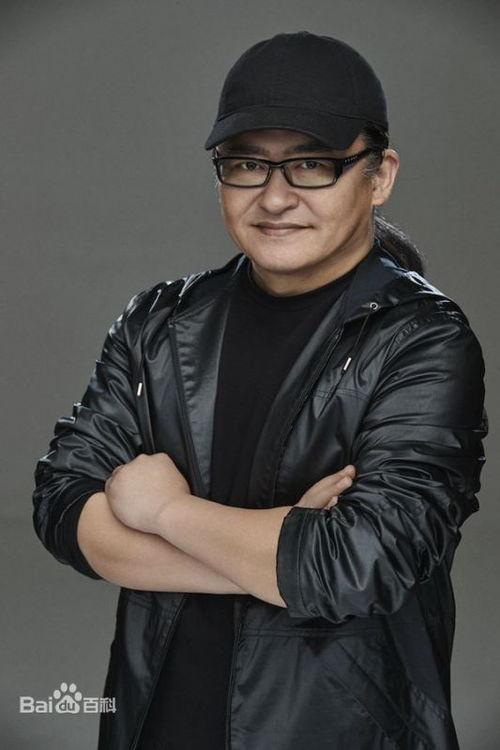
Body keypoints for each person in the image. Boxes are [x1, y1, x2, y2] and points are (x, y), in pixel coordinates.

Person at [32, 31, 488, 750]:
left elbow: (357, 565)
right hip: (155, 721)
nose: (275, 197)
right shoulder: (159, 323)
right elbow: (62, 505)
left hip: (338, 731)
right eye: (247, 164)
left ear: (379, 176)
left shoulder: (423, 341)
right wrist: (266, 554)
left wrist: (167, 511)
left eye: (312, 164)